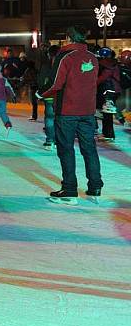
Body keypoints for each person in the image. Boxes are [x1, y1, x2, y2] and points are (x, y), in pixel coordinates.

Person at [40, 26, 103, 204]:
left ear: (69, 38)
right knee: (89, 148)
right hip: (87, 111)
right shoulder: (92, 58)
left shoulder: (65, 56)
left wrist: (41, 93)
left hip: (67, 110)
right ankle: (95, 186)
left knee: (66, 148)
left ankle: (69, 189)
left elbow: (55, 83)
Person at [37, 45, 60, 148]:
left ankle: (50, 140)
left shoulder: (46, 66)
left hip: (49, 95)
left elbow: (41, 81)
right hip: (60, 96)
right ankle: (57, 140)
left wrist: (40, 93)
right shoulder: (62, 64)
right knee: (58, 118)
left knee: (50, 118)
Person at [96, 47, 121, 142]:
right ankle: (107, 133)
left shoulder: (107, 65)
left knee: (107, 113)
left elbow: (102, 78)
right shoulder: (113, 63)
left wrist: (92, 84)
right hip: (113, 91)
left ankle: (108, 134)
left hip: (109, 91)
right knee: (107, 113)